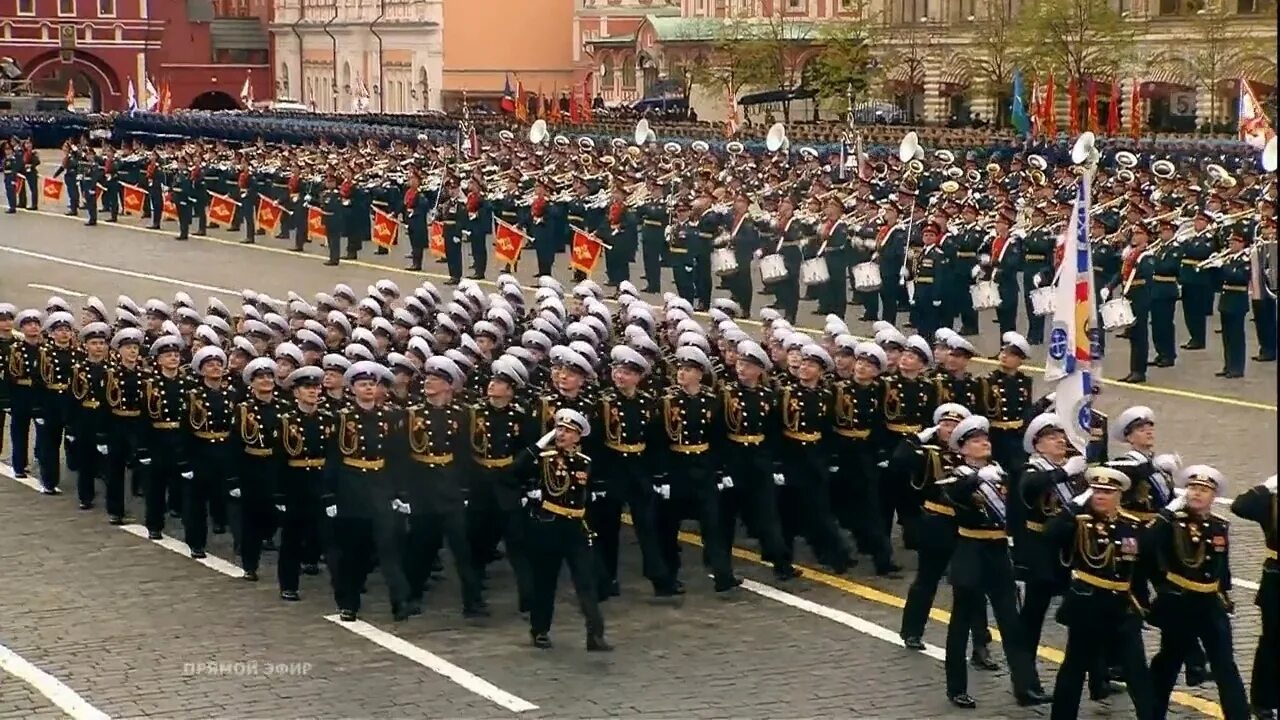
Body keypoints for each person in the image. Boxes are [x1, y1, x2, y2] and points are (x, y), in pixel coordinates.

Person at [938, 414, 1048, 709]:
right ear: (962, 449)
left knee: (1011, 623)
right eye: (975, 441)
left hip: (998, 552)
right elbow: (955, 495)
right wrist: (976, 477)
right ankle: (956, 687)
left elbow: (1015, 517)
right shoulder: (956, 473)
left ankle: (1025, 687)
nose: (984, 443)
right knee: (961, 624)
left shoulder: (1000, 474)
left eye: (985, 439)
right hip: (970, 551)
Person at [1044, 466, 1155, 720]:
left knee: (1137, 672)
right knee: (1073, 669)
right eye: (1096, 491)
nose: (1100, 496)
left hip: (1122, 608)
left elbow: (1142, 569)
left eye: (1107, 492)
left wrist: (1143, 606)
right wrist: (1072, 508)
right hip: (1088, 605)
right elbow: (1050, 535)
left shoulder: (1133, 526)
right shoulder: (1079, 523)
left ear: (1119, 495)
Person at [1147, 464, 1250, 720]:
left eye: (1203, 490)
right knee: (1168, 663)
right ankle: (1151, 714)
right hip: (1180, 604)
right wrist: (1165, 514)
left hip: (1211, 606)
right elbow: (1146, 546)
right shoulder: (1172, 523)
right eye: (1193, 488)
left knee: (1226, 667)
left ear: (1212, 497)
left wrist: (1225, 596)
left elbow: (1220, 567)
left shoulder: (1218, 525)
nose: (1197, 494)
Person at [326, 360, 412, 622]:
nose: (368, 389)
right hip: (351, 488)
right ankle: (348, 602)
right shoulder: (341, 418)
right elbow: (332, 458)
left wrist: (400, 493)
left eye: (371, 385)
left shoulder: (388, 418)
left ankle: (400, 600)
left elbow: (397, 458)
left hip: (379, 486)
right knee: (353, 551)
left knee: (388, 547)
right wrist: (330, 495)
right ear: (352, 389)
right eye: (362, 385)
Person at [518, 408, 611, 651]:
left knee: (586, 581)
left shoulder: (586, 462)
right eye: (558, 428)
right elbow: (515, 470)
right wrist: (538, 446)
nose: (561, 434)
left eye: (568, 431)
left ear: (578, 437)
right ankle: (540, 630)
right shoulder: (544, 457)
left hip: (576, 527)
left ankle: (595, 634)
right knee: (545, 581)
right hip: (549, 525)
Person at [273, 366, 335, 602]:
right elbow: (279, 459)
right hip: (295, 483)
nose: (313, 391)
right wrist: (279, 494)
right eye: (307, 388)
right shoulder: (286, 421)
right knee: (292, 538)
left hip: (321, 482)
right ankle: (288, 584)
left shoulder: (328, 419)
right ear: (296, 392)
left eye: (316, 387)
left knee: (329, 536)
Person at [1230, 474, 1278, 720]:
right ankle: (1262, 700)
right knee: (1272, 643)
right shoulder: (1271, 502)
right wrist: (1268, 486)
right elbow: (1239, 506)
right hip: (1277, 580)